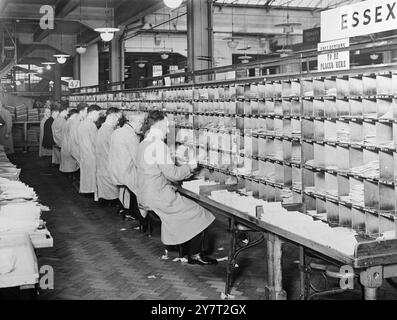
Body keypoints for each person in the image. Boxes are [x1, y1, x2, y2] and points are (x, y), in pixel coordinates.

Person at [137, 110, 217, 265]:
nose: (168, 130)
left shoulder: (144, 142)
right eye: (167, 126)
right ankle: (195, 255)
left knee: (187, 211)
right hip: (159, 196)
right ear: (159, 123)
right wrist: (191, 165)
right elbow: (173, 174)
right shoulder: (159, 145)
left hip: (146, 193)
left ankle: (186, 250)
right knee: (199, 213)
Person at [108, 112, 145, 222]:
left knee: (125, 190)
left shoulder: (118, 131)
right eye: (141, 123)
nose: (142, 127)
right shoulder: (130, 135)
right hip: (126, 171)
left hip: (117, 169)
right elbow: (137, 157)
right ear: (136, 122)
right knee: (140, 187)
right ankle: (137, 215)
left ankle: (124, 209)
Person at [95, 107, 122, 205]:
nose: (118, 122)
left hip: (103, 164)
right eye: (118, 118)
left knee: (106, 188)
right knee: (110, 191)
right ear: (113, 116)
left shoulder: (103, 128)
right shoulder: (108, 130)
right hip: (107, 165)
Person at [77, 104, 101, 198]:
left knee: (86, 175)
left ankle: (86, 191)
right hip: (91, 154)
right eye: (98, 114)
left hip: (84, 153)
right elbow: (96, 142)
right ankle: (92, 194)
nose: (98, 117)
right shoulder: (91, 125)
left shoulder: (82, 123)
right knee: (92, 176)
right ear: (93, 112)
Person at [60, 109, 79, 176]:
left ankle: (69, 178)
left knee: (67, 165)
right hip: (69, 146)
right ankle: (71, 179)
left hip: (65, 145)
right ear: (74, 115)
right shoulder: (71, 123)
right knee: (71, 166)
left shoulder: (66, 122)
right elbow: (74, 136)